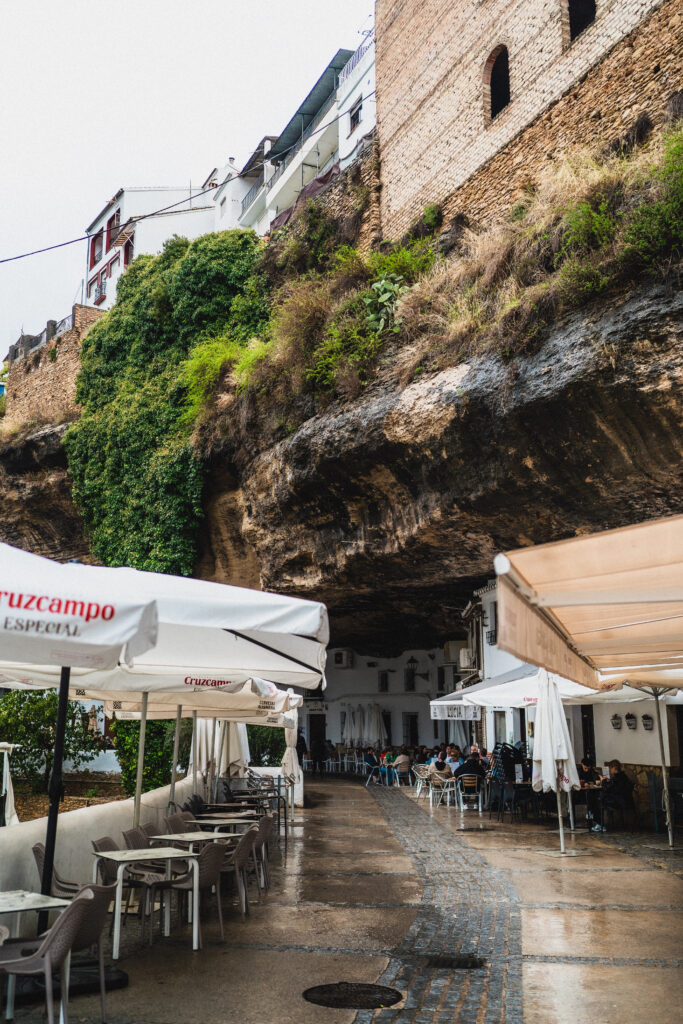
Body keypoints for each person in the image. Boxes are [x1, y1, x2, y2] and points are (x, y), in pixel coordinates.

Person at [595, 759, 635, 832]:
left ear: (613, 768)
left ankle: (600, 823)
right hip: (627, 801)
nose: (610, 770)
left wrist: (603, 781)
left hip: (618, 802)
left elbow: (608, 789)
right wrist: (609, 781)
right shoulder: (623, 776)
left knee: (600, 800)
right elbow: (615, 786)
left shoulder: (616, 778)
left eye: (610, 768)